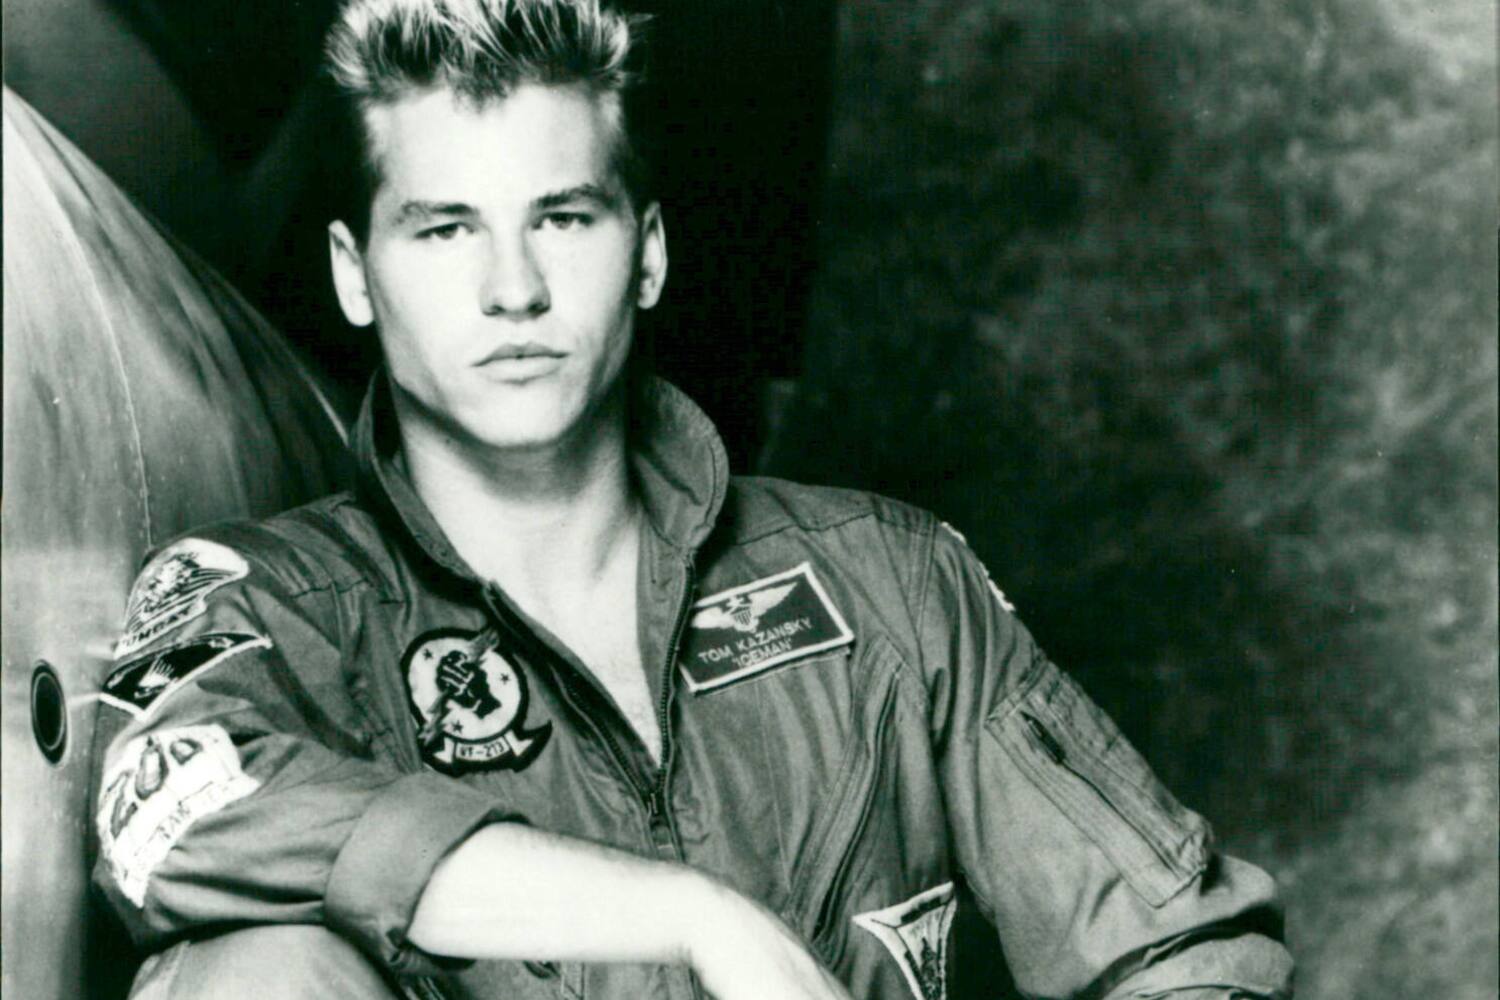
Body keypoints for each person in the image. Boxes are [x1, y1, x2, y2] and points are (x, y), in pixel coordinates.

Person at [89, 1, 1295, 997]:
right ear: (357, 277)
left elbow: (1183, 946)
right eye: (446, 230)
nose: (514, 287)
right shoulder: (267, 608)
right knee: (248, 976)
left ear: (649, 252)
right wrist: (692, 915)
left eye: (564, 217)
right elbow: (174, 818)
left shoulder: (888, 582)